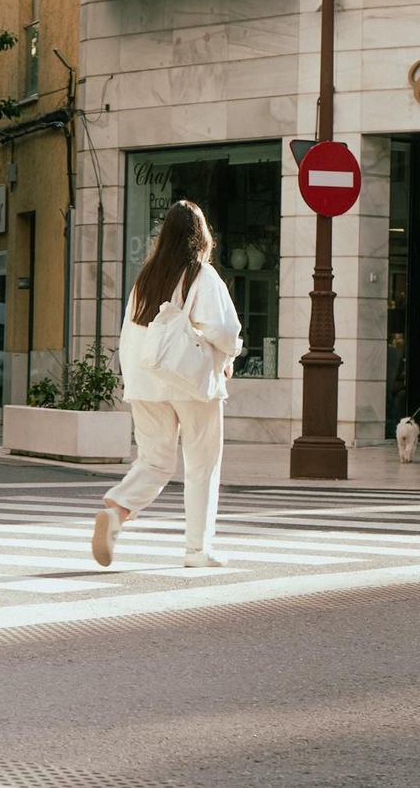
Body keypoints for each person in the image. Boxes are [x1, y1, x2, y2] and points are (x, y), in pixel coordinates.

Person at [92, 200, 243, 569]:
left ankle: (119, 509)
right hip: (190, 382)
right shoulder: (201, 275)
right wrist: (229, 354)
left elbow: (131, 332)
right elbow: (225, 330)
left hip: (146, 381)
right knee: (202, 465)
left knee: (156, 460)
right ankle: (197, 549)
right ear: (202, 235)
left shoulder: (146, 276)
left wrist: (134, 380)